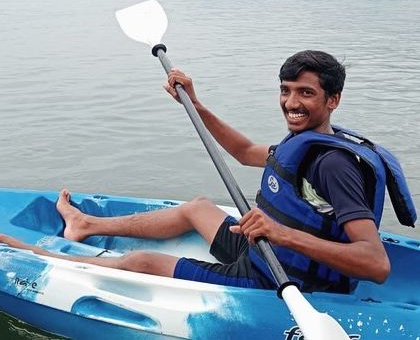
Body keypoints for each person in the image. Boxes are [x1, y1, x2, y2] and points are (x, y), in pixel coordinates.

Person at [4, 49, 412, 294]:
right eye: (286, 90)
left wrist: (281, 233)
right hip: (263, 250)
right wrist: (194, 105)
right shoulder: (309, 142)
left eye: (306, 93)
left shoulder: (335, 166)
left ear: (333, 100)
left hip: (278, 278)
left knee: (142, 263)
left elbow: (376, 264)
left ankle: (39, 255)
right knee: (198, 207)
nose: (291, 102)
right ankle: (85, 224)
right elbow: (244, 151)